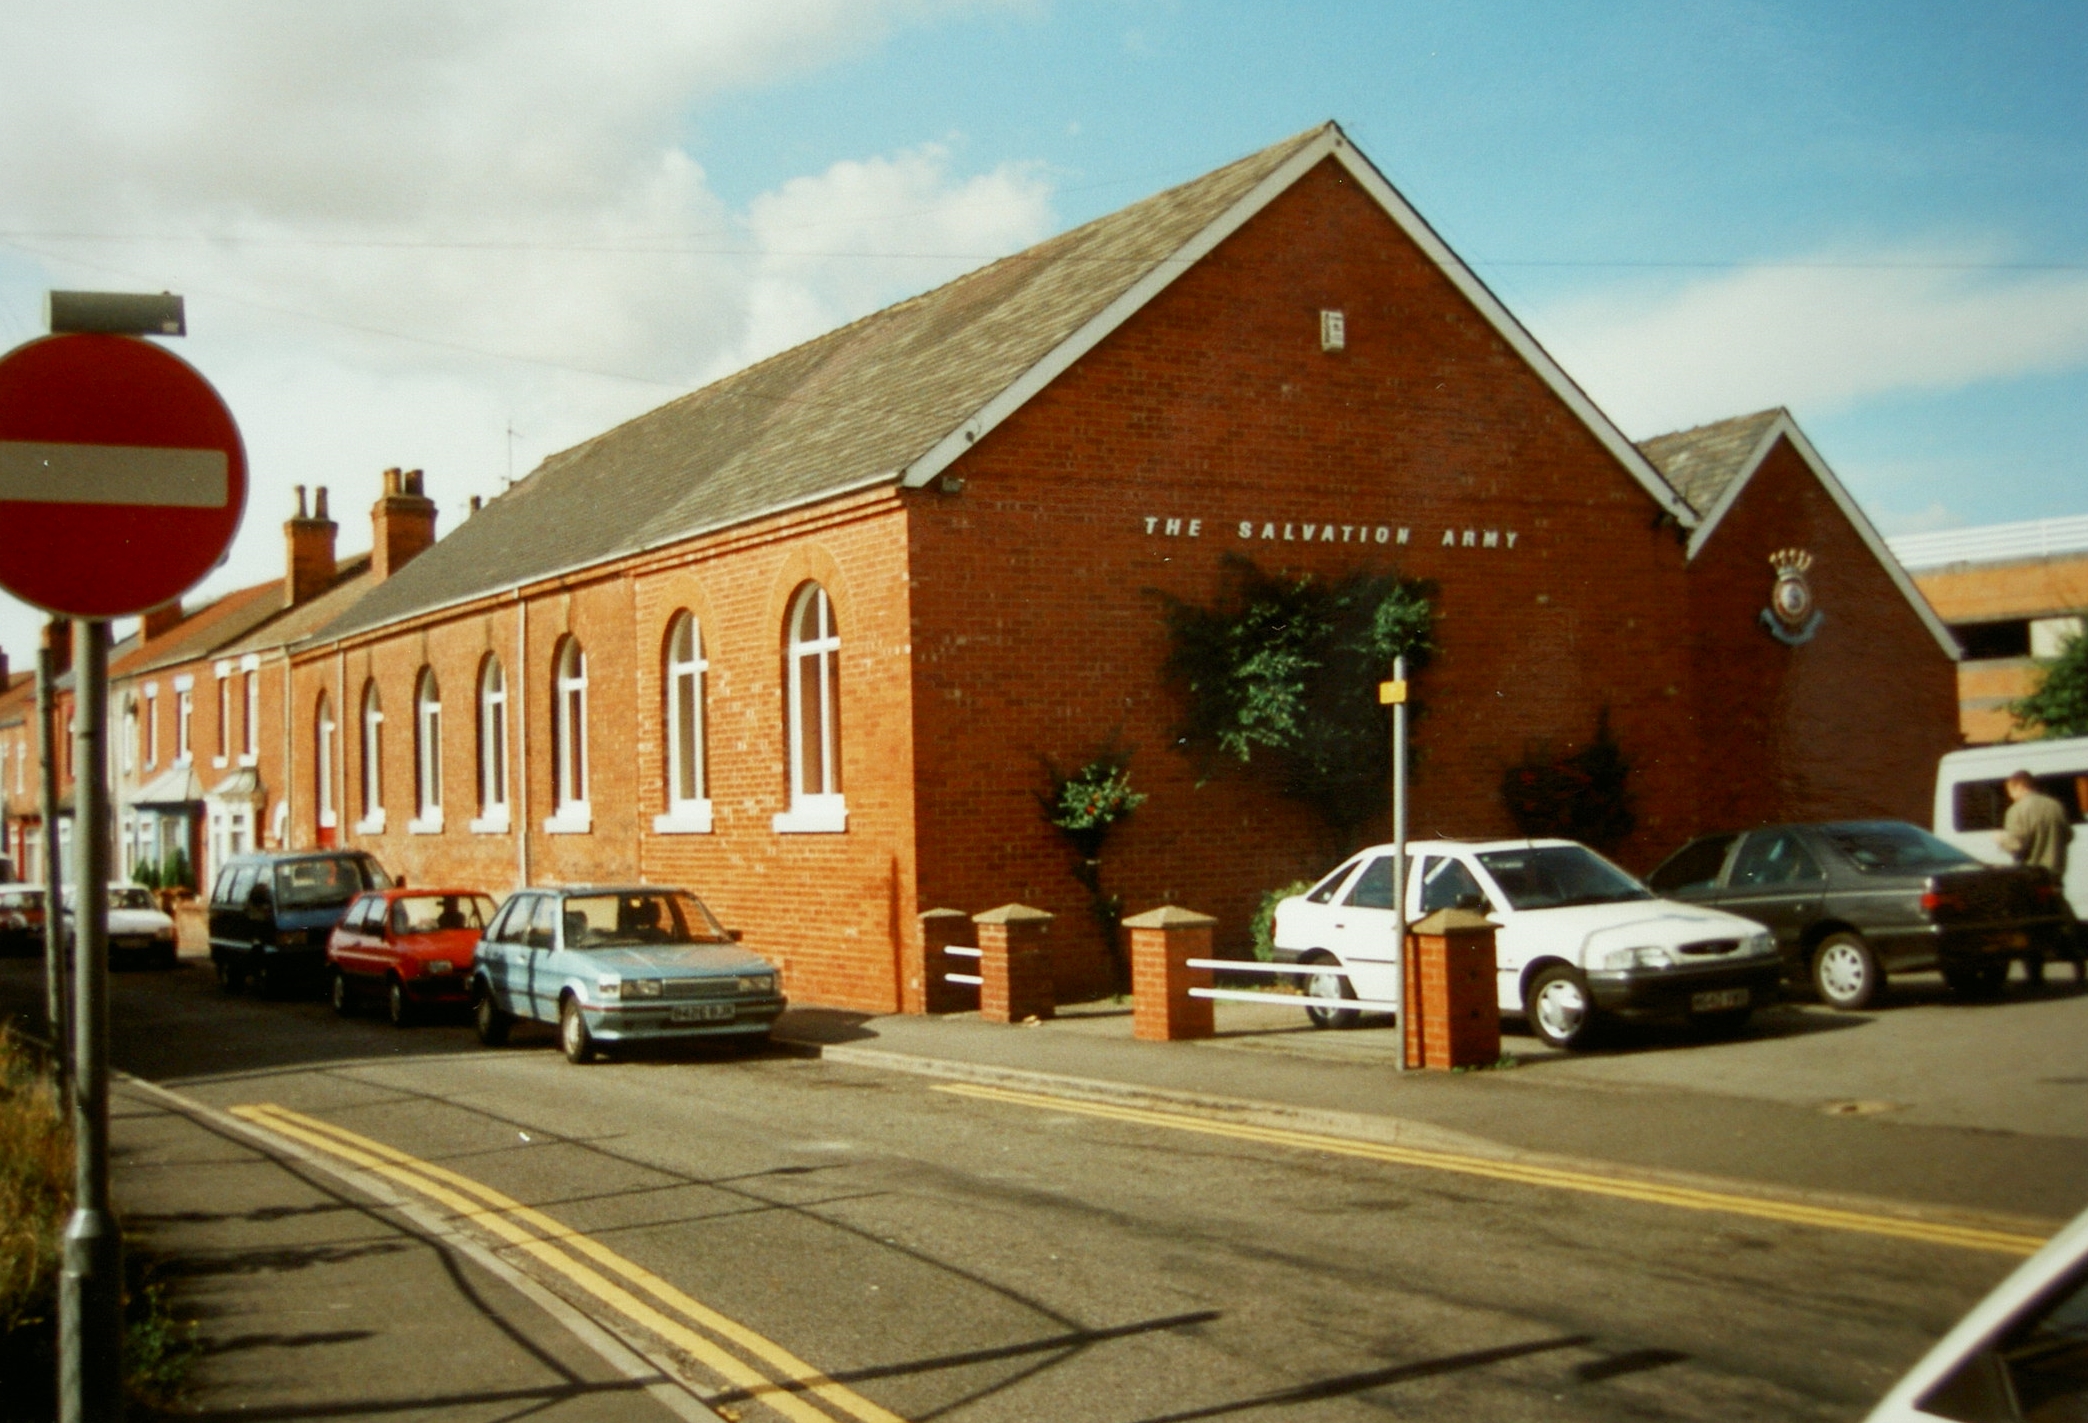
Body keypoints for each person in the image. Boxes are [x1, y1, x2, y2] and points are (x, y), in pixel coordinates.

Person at [1999, 771, 2079, 984]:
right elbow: (2069, 835)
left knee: (2030, 925)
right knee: (2061, 919)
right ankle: (2078, 962)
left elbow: (2017, 844)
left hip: (2030, 876)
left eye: (2010, 790)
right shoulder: (2055, 806)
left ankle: (2035, 974)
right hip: (2054, 873)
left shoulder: (2016, 811)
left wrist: (2000, 840)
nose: (2010, 796)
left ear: (2018, 786)